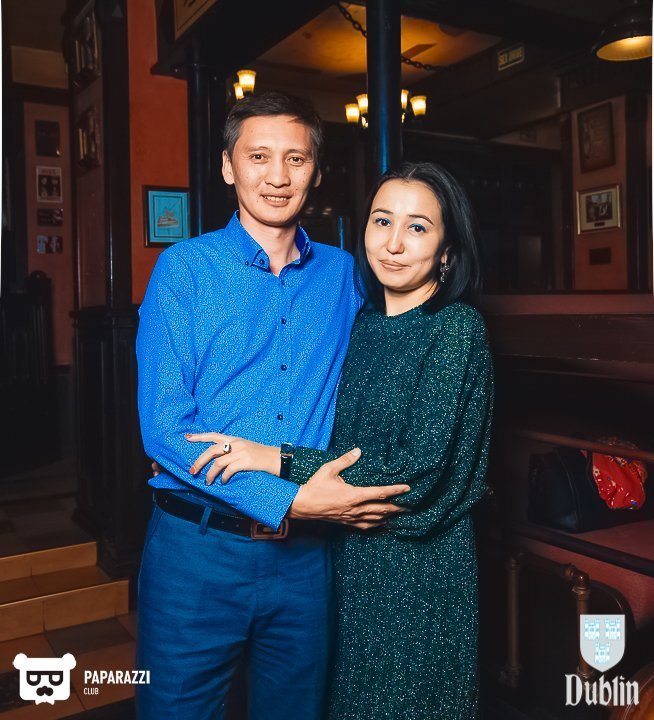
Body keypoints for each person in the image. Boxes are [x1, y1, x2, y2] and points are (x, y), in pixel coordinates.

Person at [135, 91, 410, 720]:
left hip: (307, 562)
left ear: (316, 172)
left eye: (296, 158)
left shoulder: (347, 275)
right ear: (228, 166)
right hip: (197, 551)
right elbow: (164, 429)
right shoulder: (184, 270)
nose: (278, 176)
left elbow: (393, 360)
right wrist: (290, 499)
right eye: (259, 156)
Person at [186, 162, 494, 719]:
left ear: (448, 250)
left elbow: (414, 470)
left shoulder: (456, 328)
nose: (394, 243)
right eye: (382, 220)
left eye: (418, 227)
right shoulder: (363, 323)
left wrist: (274, 459)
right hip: (346, 554)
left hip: (417, 568)